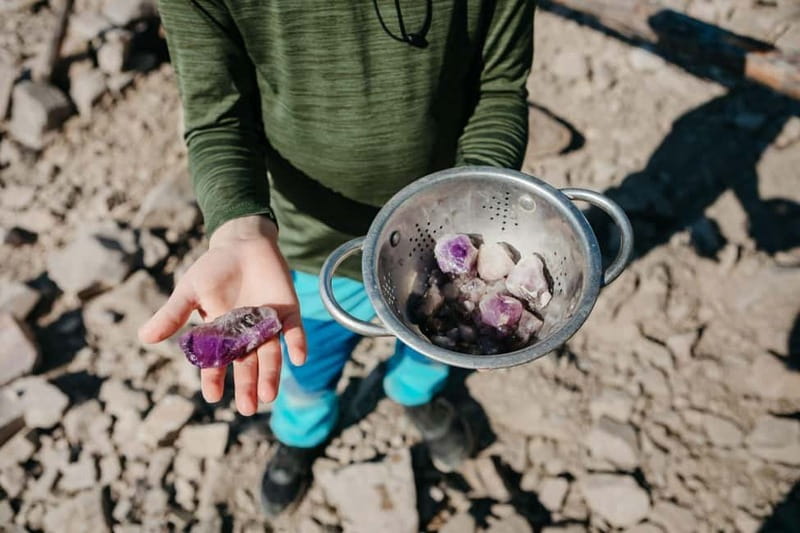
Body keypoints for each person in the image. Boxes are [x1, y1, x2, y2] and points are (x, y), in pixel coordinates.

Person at [139, 0, 534, 517]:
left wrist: (471, 210)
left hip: (445, 242)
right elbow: (218, 116)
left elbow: (500, 88)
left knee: (438, 342)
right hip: (307, 253)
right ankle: (302, 433)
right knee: (306, 366)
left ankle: (415, 394)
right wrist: (239, 228)